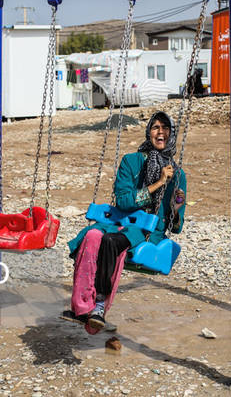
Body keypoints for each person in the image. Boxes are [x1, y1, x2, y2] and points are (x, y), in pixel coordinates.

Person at [64, 111, 187, 334]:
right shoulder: (131, 162)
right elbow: (123, 200)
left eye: (165, 127)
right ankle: (81, 307)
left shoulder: (178, 175)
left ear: (172, 133)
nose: (160, 132)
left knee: (111, 242)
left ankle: (99, 305)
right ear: (148, 132)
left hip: (146, 231)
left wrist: (176, 210)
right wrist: (158, 183)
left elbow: (176, 226)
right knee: (92, 236)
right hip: (118, 221)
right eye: (155, 127)